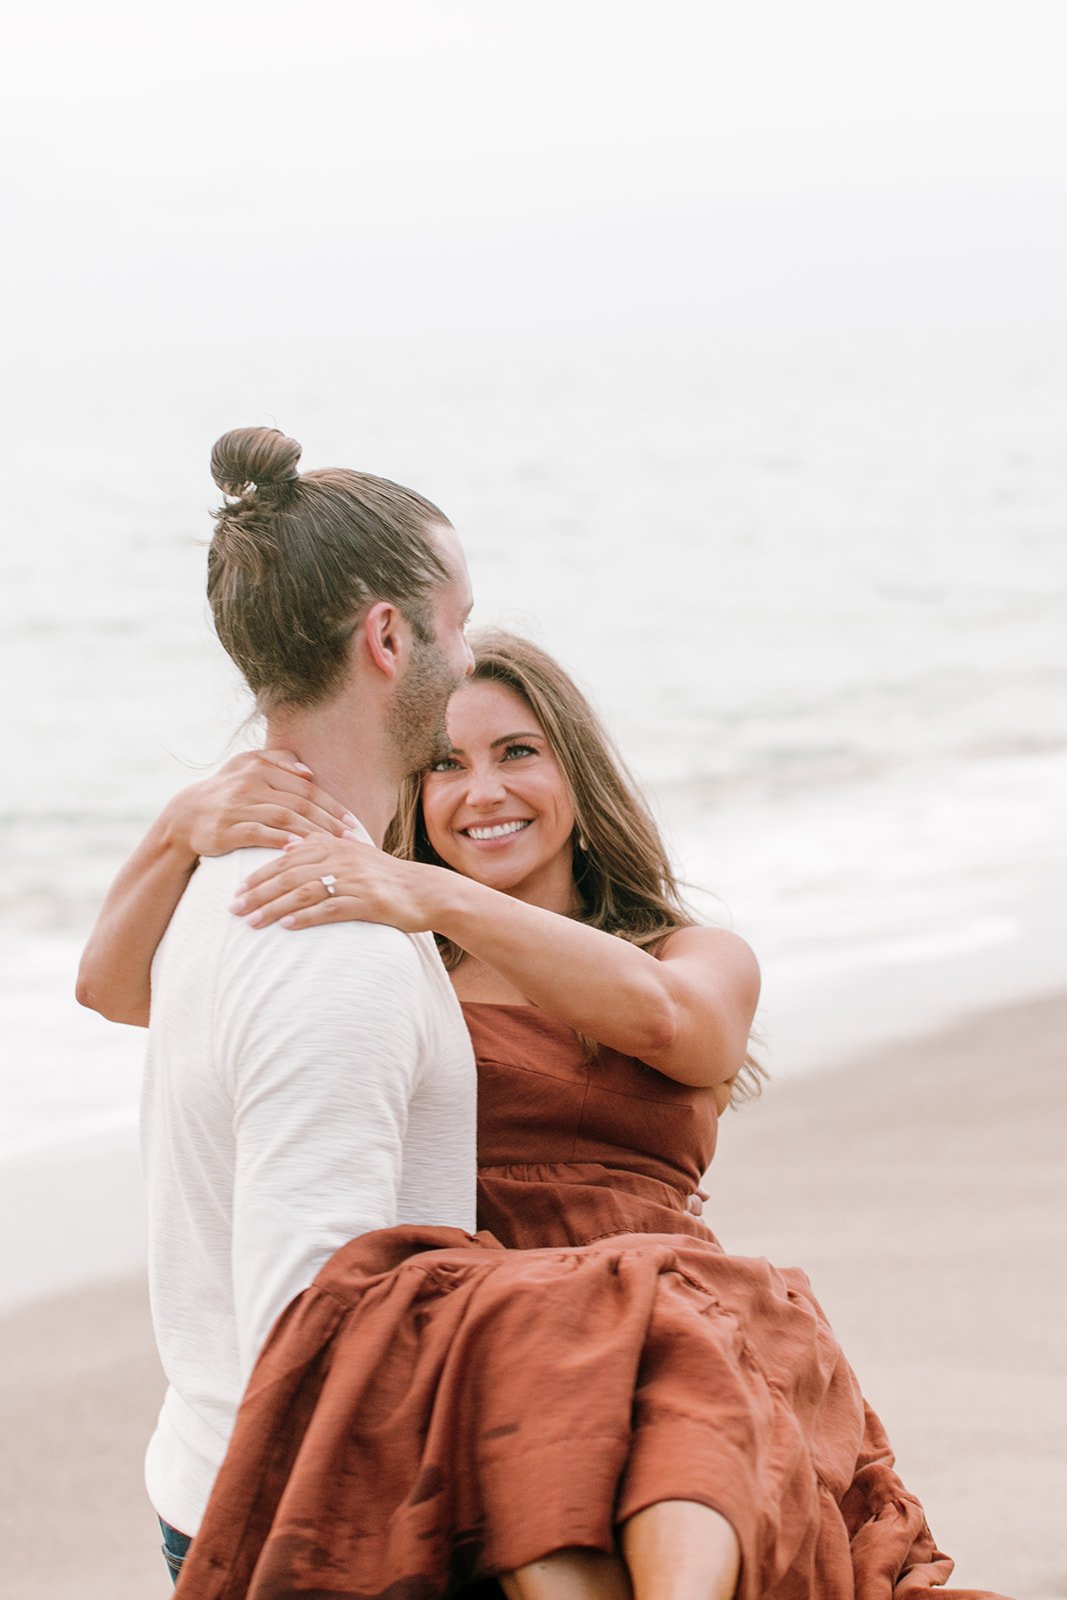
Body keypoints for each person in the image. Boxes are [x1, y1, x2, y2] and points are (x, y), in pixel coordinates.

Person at [80, 630, 1009, 1600]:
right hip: (488, 1334)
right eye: (444, 763)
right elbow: (121, 991)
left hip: (675, 1325)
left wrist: (424, 890)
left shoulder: (683, 952)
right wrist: (180, 825)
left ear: (575, 768)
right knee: (541, 1403)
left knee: (677, 1348)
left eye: (515, 752)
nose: (482, 792)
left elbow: (675, 1024)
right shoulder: (398, 969)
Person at [77, 423, 484, 1586]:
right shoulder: (328, 936)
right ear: (389, 637)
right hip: (311, 1532)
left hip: (214, 1485)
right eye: (456, 624)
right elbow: (314, 1333)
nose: (467, 656)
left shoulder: (227, 878)